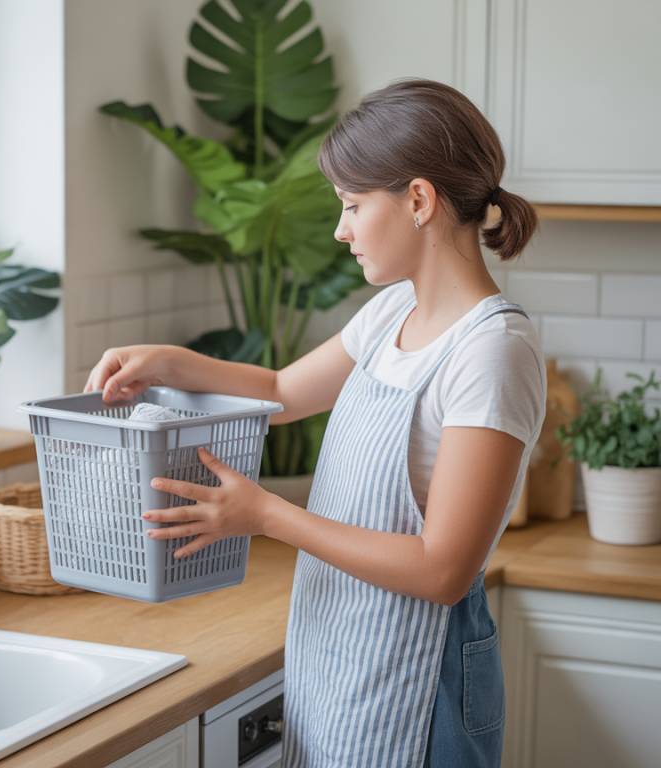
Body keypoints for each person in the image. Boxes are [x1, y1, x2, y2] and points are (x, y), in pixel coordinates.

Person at [84, 78, 546, 767]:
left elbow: (443, 569)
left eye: (354, 205)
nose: (341, 228)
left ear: (418, 200)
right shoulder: (394, 312)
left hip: (425, 679)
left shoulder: (491, 352)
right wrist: (169, 362)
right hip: (342, 651)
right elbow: (280, 391)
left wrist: (267, 515)